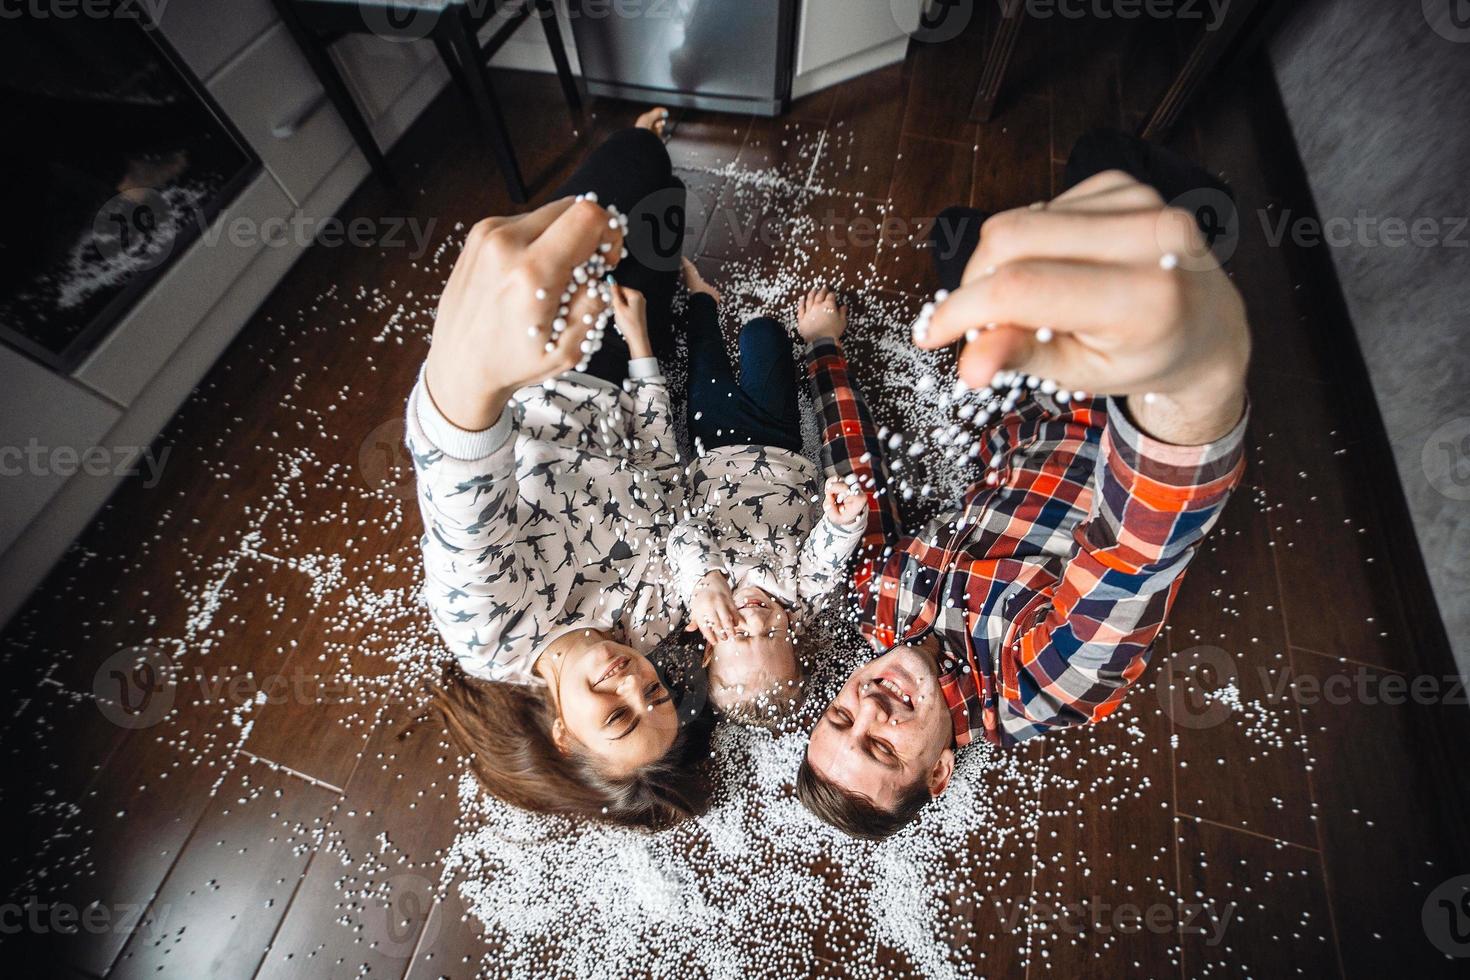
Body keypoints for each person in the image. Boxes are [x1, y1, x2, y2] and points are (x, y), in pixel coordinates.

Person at [795, 131, 1251, 840]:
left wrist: (824, 349)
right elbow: (1137, 554)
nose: (871, 707)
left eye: (841, 719)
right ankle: (1197, 231)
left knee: (956, 236)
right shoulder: (1038, 682)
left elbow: (855, 479)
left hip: (1023, 406)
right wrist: (1191, 376)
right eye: (882, 748)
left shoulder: (877, 607)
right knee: (1107, 167)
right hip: (1120, 405)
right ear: (940, 771)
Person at [408, 109, 711, 829]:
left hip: (538, 356)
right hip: (620, 366)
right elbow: (662, 470)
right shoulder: (655, 613)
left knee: (635, 165)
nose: (632, 685)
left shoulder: (489, 631)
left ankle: (632, 147)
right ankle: (647, 156)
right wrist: (641, 348)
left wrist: (470, 380)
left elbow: (459, 489)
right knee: (667, 204)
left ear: (563, 734)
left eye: (617, 720)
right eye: (657, 698)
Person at [667, 264, 868, 729]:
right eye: (772, 633)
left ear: (710, 644)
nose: (756, 620)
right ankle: (766, 332)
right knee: (764, 333)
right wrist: (842, 523)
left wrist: (706, 579)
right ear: (794, 631)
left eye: (737, 632)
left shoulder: (698, 595)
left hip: (712, 444)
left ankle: (703, 298)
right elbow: (827, 556)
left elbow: (685, 532)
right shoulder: (801, 594)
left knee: (704, 355)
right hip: (779, 443)